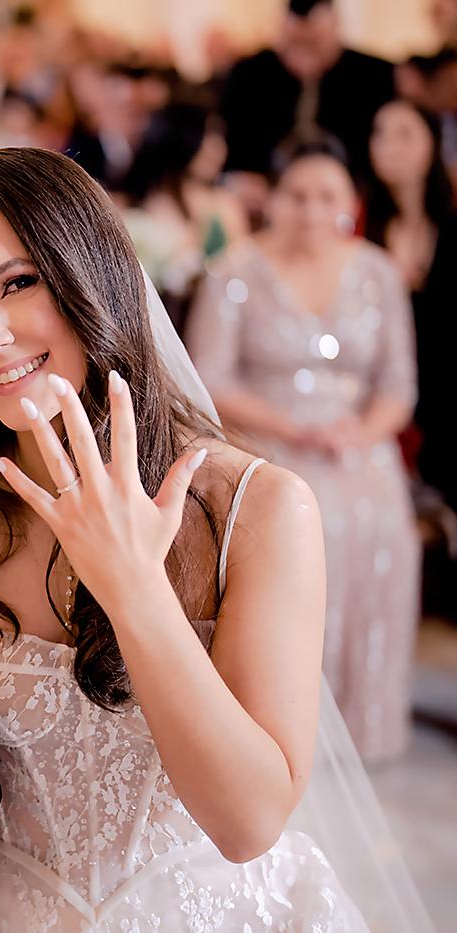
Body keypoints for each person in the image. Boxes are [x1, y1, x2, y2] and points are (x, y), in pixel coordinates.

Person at [0, 145, 371, 930]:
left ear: (90, 276)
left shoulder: (259, 510)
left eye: (18, 283)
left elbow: (248, 822)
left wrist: (134, 588)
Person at [187, 137, 420, 764]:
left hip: (359, 448)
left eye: (327, 197)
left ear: (351, 203)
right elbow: (209, 375)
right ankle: (277, 724)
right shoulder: (234, 270)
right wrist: (293, 427)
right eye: (298, 195)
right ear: (274, 199)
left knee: (373, 523)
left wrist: (362, 432)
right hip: (264, 443)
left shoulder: (378, 272)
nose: (312, 211)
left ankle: (361, 726)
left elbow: (399, 387)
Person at [366, 98, 457, 514]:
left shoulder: (450, 223)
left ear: (432, 144)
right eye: (380, 133)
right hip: (382, 388)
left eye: (404, 133)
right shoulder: (363, 227)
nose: (389, 145)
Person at [221, 0, 394, 207]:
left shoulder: (374, 76)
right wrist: (236, 181)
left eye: (313, 41)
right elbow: (226, 145)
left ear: (335, 30)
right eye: (294, 41)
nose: (303, 51)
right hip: (265, 203)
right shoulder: (248, 75)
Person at [121, 100, 248, 332]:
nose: (217, 149)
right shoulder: (142, 210)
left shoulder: (225, 204)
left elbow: (243, 269)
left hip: (219, 323)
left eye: (219, 138)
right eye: (208, 138)